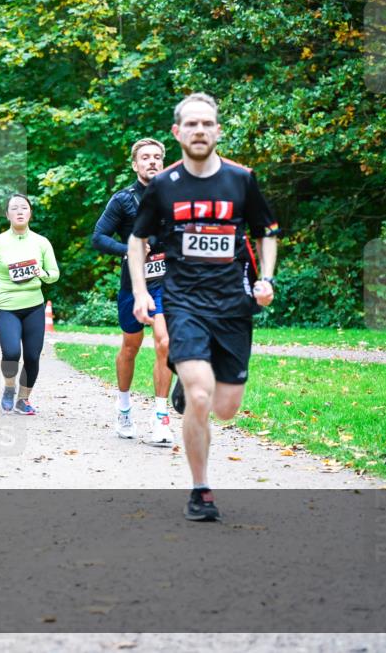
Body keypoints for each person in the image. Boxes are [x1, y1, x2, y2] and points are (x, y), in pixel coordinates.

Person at [128, 93, 279, 522]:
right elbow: (137, 239)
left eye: (206, 124)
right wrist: (142, 292)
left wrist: (265, 279)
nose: (199, 130)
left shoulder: (241, 180)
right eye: (191, 124)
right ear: (177, 132)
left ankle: (192, 380)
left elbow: (267, 230)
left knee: (226, 408)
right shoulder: (164, 186)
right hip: (183, 301)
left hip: (233, 304)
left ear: (217, 130)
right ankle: (200, 490)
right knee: (200, 394)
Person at [92, 138, 174, 444]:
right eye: (145, 158)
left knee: (164, 342)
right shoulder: (123, 200)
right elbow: (98, 237)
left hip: (167, 282)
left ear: (163, 163)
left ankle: (161, 417)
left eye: (157, 157)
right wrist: (128, 249)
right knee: (131, 346)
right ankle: (124, 406)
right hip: (133, 284)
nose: (152, 162)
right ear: (135, 164)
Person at [0, 194, 60, 416]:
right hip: (5, 305)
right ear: (7, 215)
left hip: (34, 305)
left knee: (32, 356)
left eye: (24, 207)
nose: (20, 211)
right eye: (15, 208)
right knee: (12, 352)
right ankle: (9, 387)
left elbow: (54, 274)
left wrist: (42, 274)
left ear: (30, 212)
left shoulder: (42, 242)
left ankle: (23, 399)